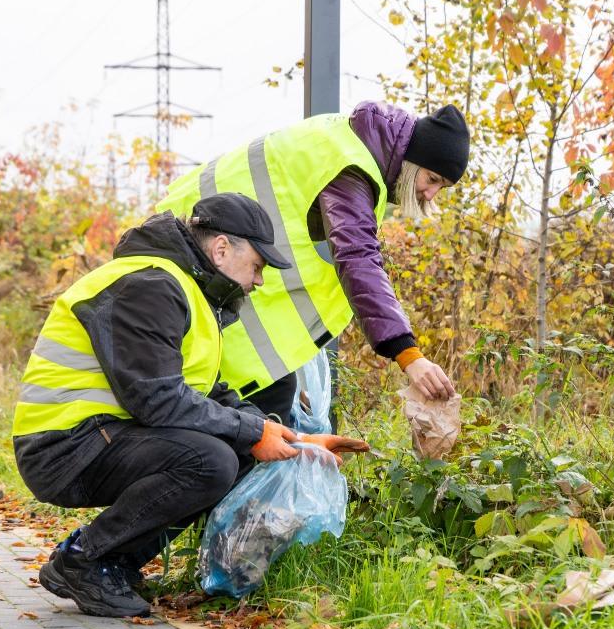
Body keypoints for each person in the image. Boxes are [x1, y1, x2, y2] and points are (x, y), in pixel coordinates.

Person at [11, 193, 353, 618]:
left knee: (233, 451)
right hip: (61, 446)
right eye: (258, 266)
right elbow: (156, 399)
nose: (260, 280)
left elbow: (204, 391)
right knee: (210, 461)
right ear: (222, 249)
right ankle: (85, 559)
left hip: (98, 435)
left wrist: (294, 438)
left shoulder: (183, 289)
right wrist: (252, 433)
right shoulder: (149, 285)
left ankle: (113, 562)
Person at [155, 101, 468, 424]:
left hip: (198, 249)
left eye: (441, 187)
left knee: (257, 404)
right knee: (253, 410)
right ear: (411, 159)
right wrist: (408, 355)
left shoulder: (345, 139)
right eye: (431, 179)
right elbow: (357, 257)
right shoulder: (352, 167)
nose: (430, 194)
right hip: (200, 256)